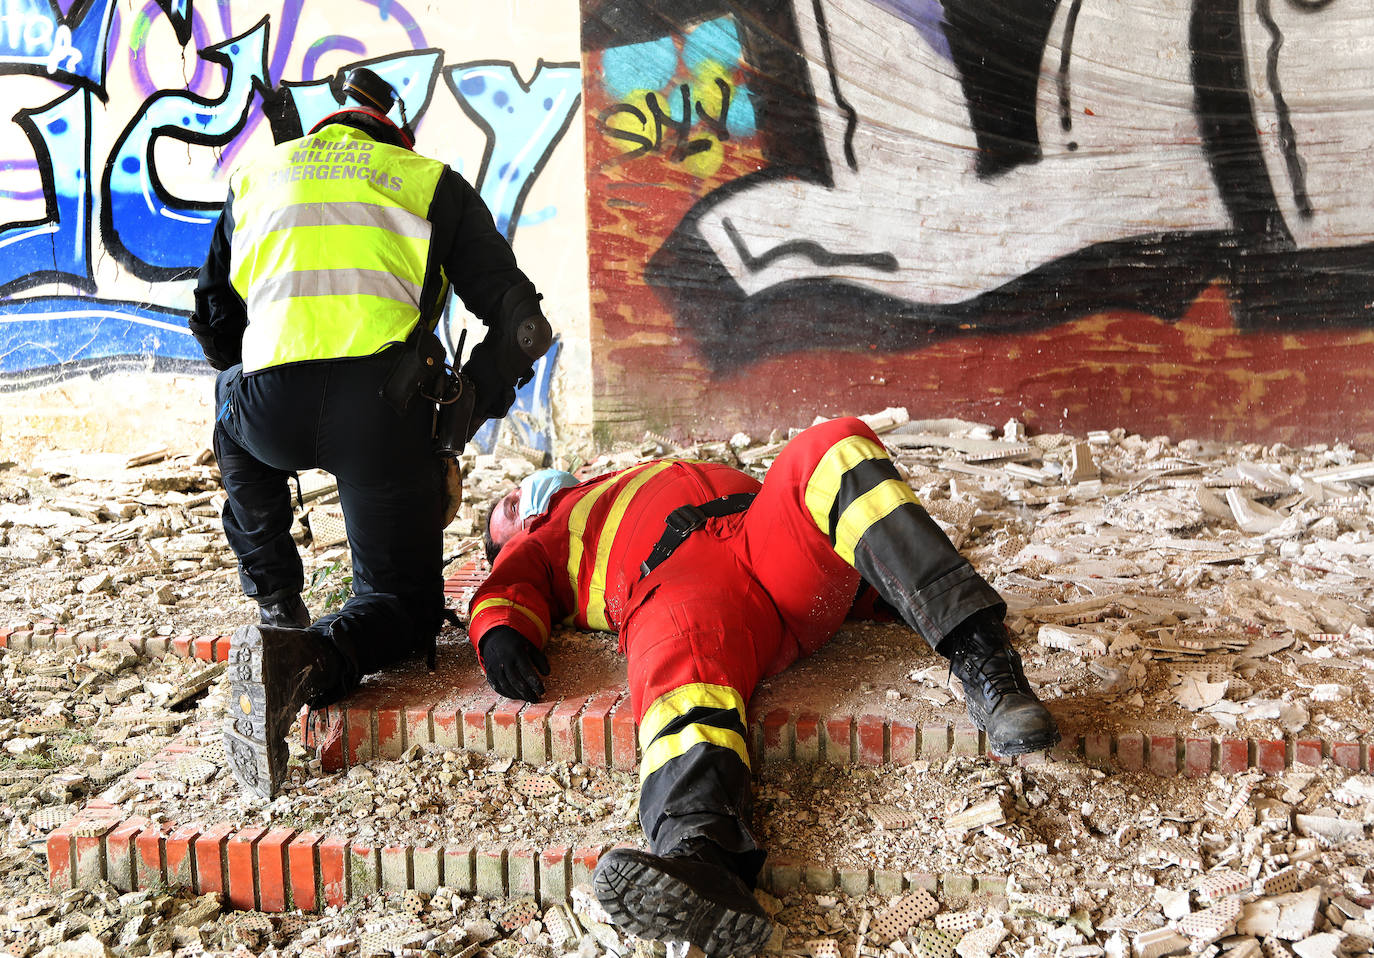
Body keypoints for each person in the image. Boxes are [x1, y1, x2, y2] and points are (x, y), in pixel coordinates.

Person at [470, 416, 1059, 957]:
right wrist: (501, 630)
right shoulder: (546, 533)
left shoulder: (622, 477)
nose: (519, 494)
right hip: (679, 583)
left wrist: (883, 584)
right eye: (506, 508)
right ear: (517, 530)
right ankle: (703, 857)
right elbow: (506, 584)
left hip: (763, 537)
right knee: (683, 669)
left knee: (834, 446)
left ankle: (987, 662)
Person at [189, 67, 552, 800]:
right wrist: (461, 414)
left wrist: (260, 387)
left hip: (268, 409)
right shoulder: (424, 181)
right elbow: (523, 325)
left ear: (328, 130)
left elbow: (213, 319)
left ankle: (275, 605)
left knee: (227, 401)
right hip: (384, 418)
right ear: (397, 132)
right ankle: (310, 663)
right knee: (398, 605)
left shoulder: (260, 176)